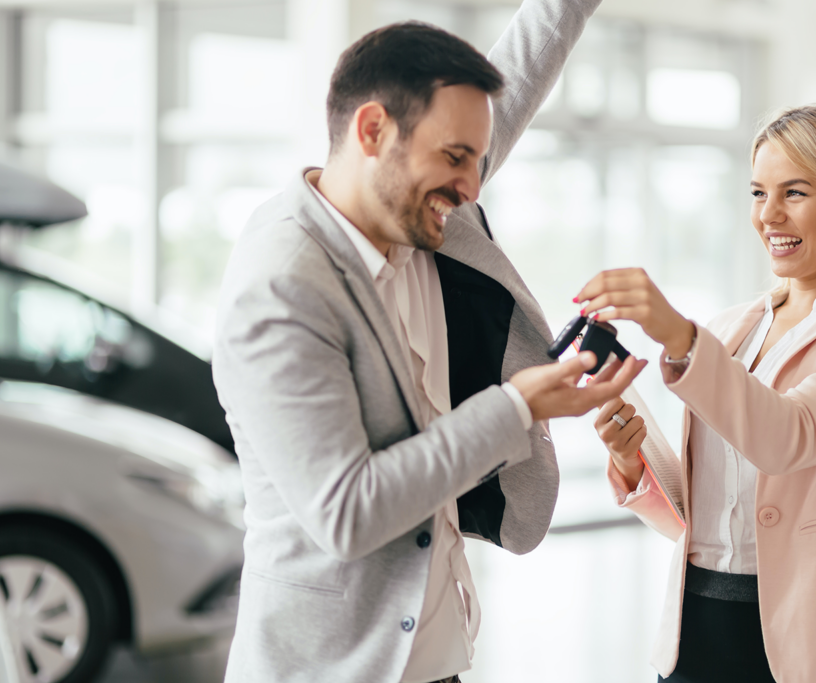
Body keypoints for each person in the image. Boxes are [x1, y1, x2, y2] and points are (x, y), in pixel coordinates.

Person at [212, 3, 646, 682]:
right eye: (456, 159)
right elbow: (348, 511)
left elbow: (519, 74)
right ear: (373, 130)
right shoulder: (282, 286)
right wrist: (516, 407)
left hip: (435, 661)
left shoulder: (415, 206)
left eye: (476, 158)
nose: (473, 187)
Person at [576, 103, 816, 683]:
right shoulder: (728, 330)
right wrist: (631, 456)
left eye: (794, 192)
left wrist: (677, 334)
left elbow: (790, 436)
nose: (768, 215)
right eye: (756, 193)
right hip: (693, 632)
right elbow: (697, 519)